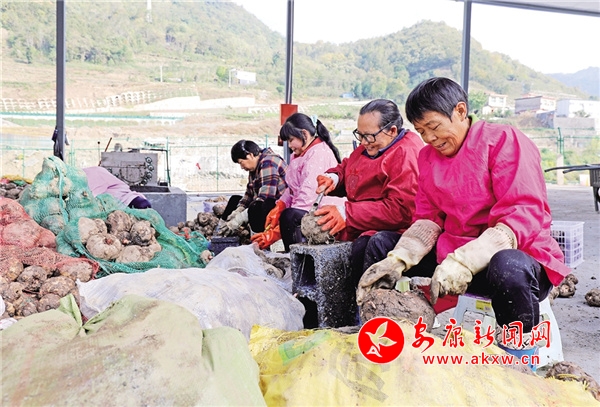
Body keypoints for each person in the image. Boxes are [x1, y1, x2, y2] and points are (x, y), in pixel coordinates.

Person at [356, 77, 569, 369]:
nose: (429, 138)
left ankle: (519, 362)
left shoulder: (504, 141)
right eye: (421, 131)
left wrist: (465, 261)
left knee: (508, 265)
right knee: (381, 244)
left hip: (517, 262)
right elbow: (427, 218)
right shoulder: (427, 157)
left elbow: (522, 214)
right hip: (453, 262)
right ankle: (382, 343)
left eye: (434, 126)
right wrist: (399, 259)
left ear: (459, 111)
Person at [315, 99, 423, 288]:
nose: (363, 142)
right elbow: (348, 166)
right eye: (360, 135)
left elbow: (400, 210)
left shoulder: (405, 153)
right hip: (361, 223)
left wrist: (347, 214)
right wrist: (334, 177)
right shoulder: (371, 145)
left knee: (366, 246)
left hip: (395, 229)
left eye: (369, 136)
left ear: (392, 131)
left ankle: (362, 301)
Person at [251, 113, 346, 251]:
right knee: (272, 207)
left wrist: (274, 233)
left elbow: (308, 198)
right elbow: (293, 188)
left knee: (290, 216)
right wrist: (280, 205)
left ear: (304, 134)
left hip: (322, 213)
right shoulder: (299, 154)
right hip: (308, 208)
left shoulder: (319, 153)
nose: (290, 145)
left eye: (291, 140)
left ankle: (297, 258)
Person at [219, 140, 288, 236]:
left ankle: (257, 238)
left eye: (241, 162)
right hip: (265, 204)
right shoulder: (255, 167)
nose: (241, 167)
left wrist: (239, 219)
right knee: (235, 200)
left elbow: (265, 197)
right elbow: (249, 194)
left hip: (280, 208)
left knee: (256, 207)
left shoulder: (269, 162)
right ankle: (221, 229)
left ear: (250, 155)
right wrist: (238, 211)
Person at [82, 166, 152, 209]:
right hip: (117, 198)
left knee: (142, 205)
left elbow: (93, 193)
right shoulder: (92, 172)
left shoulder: (92, 173)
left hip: (123, 197)